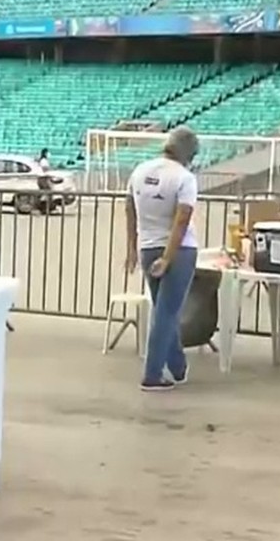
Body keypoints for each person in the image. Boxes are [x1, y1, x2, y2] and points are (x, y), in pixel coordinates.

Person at [125, 126, 199, 392]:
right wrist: (169, 257)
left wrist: (133, 247)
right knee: (167, 313)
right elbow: (182, 220)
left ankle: (178, 366)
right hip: (179, 251)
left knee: (163, 309)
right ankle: (152, 374)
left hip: (148, 246)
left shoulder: (140, 171)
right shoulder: (185, 178)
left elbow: (129, 209)